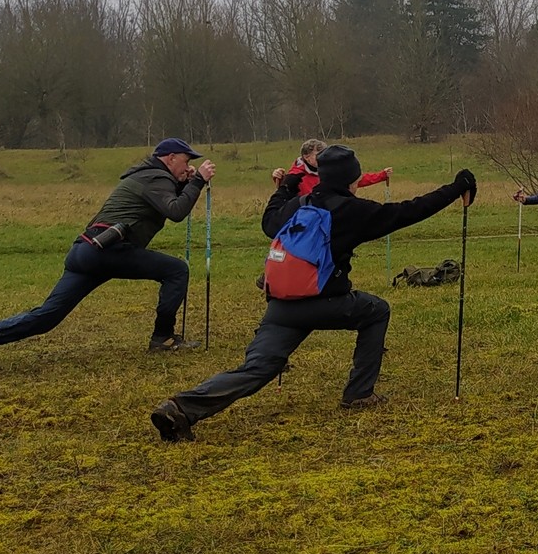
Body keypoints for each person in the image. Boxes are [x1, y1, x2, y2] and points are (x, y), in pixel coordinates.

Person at [148, 146, 476, 441]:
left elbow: (269, 222)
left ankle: (181, 407)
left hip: (282, 305)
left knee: (256, 369)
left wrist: (288, 185)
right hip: (325, 302)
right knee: (377, 309)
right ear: (353, 179)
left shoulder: (300, 202)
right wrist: (456, 186)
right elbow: (410, 210)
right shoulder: (352, 211)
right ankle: (359, 393)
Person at [0, 138, 213, 373]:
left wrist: (184, 184)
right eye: (186, 160)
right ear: (170, 157)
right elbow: (176, 212)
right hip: (110, 251)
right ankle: (163, 338)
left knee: (45, 318)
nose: (188, 166)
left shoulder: (146, 176)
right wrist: (198, 180)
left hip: (85, 251)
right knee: (176, 269)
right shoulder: (156, 177)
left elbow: (166, 202)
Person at [271, 138, 391, 197]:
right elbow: (284, 192)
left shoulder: (330, 170)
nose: (324, 157)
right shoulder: (295, 175)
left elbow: (355, 180)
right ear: (306, 157)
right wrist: (279, 177)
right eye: (319, 155)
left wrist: (382, 175)